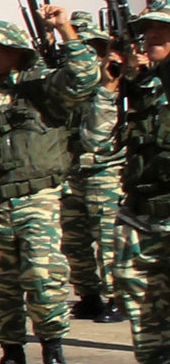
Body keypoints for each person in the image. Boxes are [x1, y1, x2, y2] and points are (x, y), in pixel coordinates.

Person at [71, 0, 170, 364]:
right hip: (152, 250)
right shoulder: (137, 94)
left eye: (163, 32)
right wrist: (112, 89)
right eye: (148, 31)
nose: (151, 39)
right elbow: (93, 149)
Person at [0, 8, 98, 364]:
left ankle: (53, 350)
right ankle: (11, 354)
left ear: (18, 52)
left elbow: (84, 79)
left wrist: (64, 30)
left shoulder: (43, 88)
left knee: (42, 276)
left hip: (37, 196)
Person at [65, 19, 127, 322]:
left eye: (95, 48)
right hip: (72, 170)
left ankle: (116, 297)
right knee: (74, 240)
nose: (90, 54)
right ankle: (88, 295)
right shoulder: (70, 84)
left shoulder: (115, 83)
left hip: (105, 170)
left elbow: (99, 136)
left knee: (107, 238)